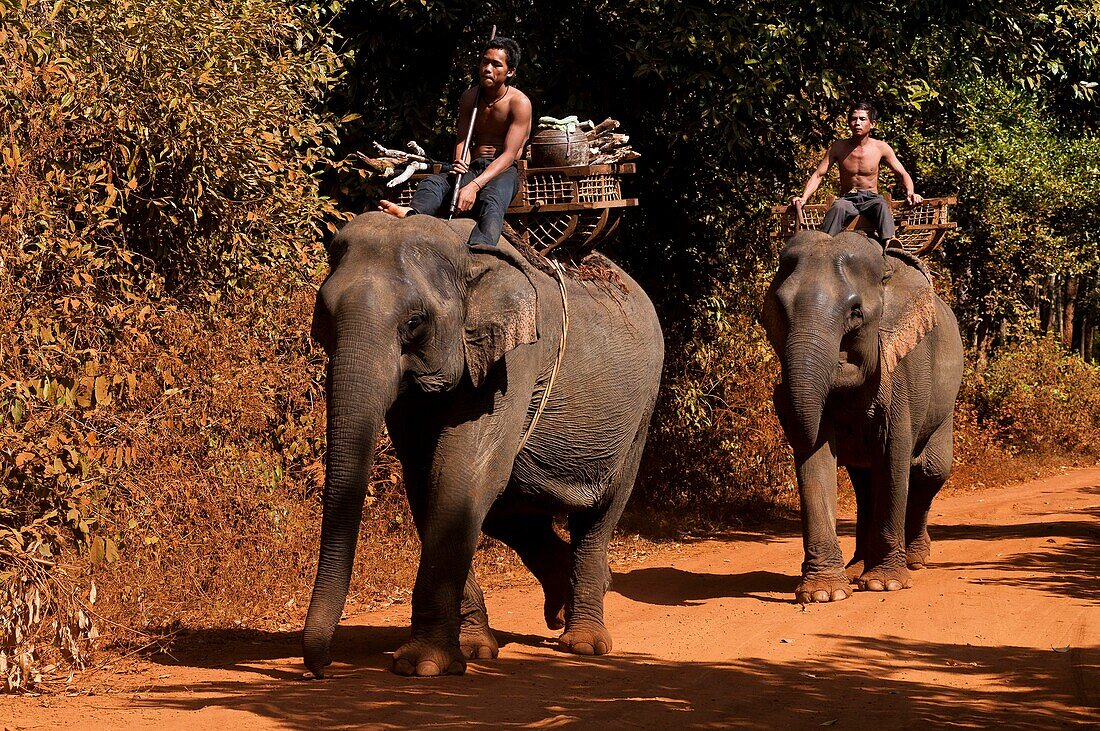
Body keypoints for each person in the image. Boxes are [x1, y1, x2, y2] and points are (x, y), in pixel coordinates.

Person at [378, 37, 533, 247]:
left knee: (492, 200)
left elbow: (509, 155)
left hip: (503, 170)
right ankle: (412, 213)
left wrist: (474, 187)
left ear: (510, 71)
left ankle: (481, 250)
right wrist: (461, 162)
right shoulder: (470, 98)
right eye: (485, 62)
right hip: (474, 165)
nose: (488, 69)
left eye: (496, 65)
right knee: (434, 183)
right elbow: (463, 140)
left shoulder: (519, 103)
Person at [792, 102, 923, 247]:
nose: (857, 123)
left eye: (862, 119)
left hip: (871, 199)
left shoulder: (881, 148)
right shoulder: (839, 147)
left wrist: (911, 193)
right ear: (849, 123)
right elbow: (818, 175)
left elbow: (902, 173)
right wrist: (803, 198)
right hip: (848, 199)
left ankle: (890, 242)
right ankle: (823, 245)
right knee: (837, 207)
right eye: (854, 119)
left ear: (872, 124)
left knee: (881, 205)